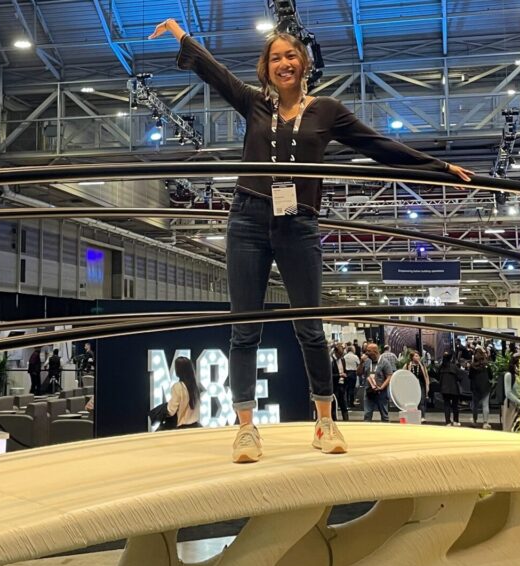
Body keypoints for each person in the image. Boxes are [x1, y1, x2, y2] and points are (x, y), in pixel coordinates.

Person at [150, 19, 472, 462]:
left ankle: (325, 421)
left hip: (298, 224)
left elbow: (377, 146)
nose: (284, 63)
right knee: (244, 329)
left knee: (311, 328)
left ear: (304, 64)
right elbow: (215, 71)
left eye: (291, 56)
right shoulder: (253, 103)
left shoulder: (327, 110)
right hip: (246, 219)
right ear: (266, 68)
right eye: (275, 57)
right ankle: (246, 430)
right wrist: (181, 35)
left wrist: (437, 168)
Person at [166, 356, 203, 428]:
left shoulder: (177, 387)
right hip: (196, 427)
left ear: (179, 370)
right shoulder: (196, 386)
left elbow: (171, 411)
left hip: (183, 429)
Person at [361, 343, 394, 422]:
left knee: (384, 415)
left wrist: (382, 387)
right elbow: (358, 373)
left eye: (369, 351)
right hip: (368, 391)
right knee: (367, 415)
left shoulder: (384, 362)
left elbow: (389, 376)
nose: (366, 353)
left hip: (381, 392)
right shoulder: (367, 361)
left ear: (375, 351)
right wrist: (361, 362)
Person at [468, 348, 492, 429]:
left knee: (475, 405)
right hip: (485, 386)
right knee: (485, 405)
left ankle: (474, 420)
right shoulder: (487, 365)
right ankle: (485, 423)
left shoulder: (472, 366)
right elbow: (491, 375)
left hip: (475, 387)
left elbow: (470, 376)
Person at [439, 351, 461, 426]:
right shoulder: (454, 367)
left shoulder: (441, 367)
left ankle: (448, 422)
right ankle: (456, 421)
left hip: (444, 389)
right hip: (454, 388)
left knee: (446, 405)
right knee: (455, 405)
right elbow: (460, 377)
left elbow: (438, 377)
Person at [502, 355, 520, 432]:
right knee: (508, 428)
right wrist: (519, 402)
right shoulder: (509, 375)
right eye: (519, 364)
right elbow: (508, 393)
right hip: (511, 405)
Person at [408, 351, 430, 422]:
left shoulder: (422, 366)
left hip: (421, 385)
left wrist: (427, 385)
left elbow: (426, 376)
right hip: (411, 386)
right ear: (412, 357)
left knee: (421, 400)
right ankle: (413, 416)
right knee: (413, 402)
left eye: (418, 356)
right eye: (416, 356)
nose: (418, 357)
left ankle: (422, 416)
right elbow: (404, 374)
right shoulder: (408, 365)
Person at [331, 343, 349, 421]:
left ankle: (346, 422)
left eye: (342, 354)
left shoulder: (342, 359)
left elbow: (344, 370)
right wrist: (339, 375)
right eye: (340, 354)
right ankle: (334, 422)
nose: (341, 356)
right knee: (334, 406)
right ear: (335, 352)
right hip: (334, 386)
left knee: (344, 405)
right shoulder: (331, 361)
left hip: (342, 385)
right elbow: (329, 376)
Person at [343, 343, 361, 408]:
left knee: (346, 389)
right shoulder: (355, 356)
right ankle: (351, 402)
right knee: (352, 389)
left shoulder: (344, 357)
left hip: (346, 373)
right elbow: (359, 364)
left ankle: (346, 402)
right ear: (353, 350)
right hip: (353, 373)